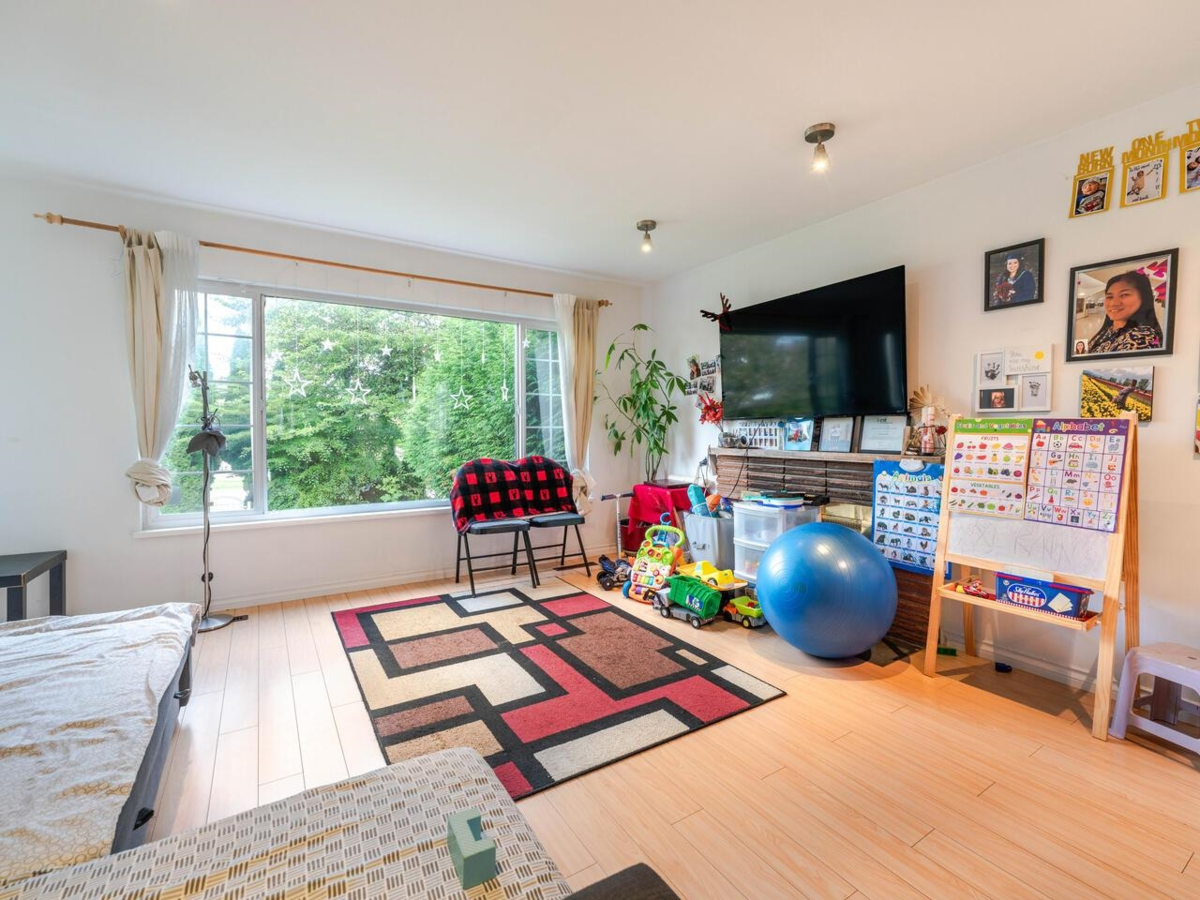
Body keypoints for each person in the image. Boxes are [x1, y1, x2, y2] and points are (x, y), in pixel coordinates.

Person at [1086, 270, 1164, 355]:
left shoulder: (1141, 338)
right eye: (1109, 297)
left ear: (1143, 298)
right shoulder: (1109, 330)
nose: (1114, 303)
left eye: (1124, 295)